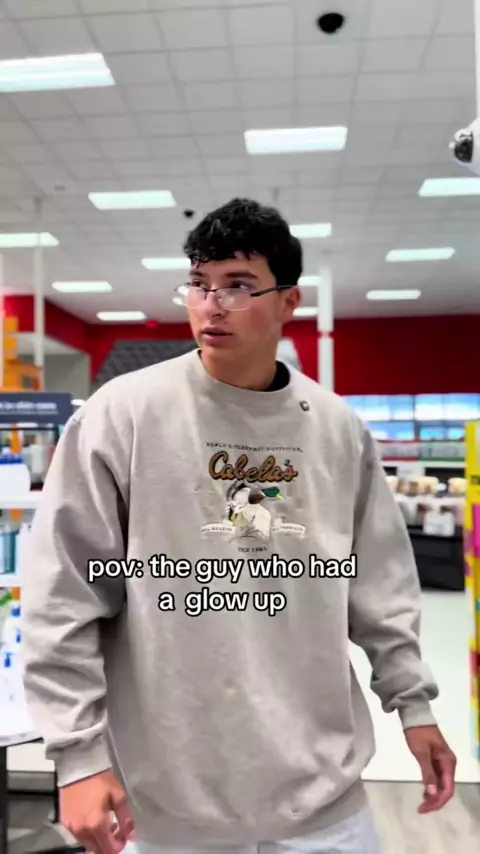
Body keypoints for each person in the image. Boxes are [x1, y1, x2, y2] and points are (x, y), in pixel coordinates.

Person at [20, 198, 456, 854]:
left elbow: (380, 589)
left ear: (289, 302)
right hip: (167, 806)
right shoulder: (123, 416)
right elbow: (64, 594)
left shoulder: (337, 429)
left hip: (323, 799)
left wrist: (413, 706)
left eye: (239, 285)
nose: (212, 304)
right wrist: (78, 756)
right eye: (199, 284)